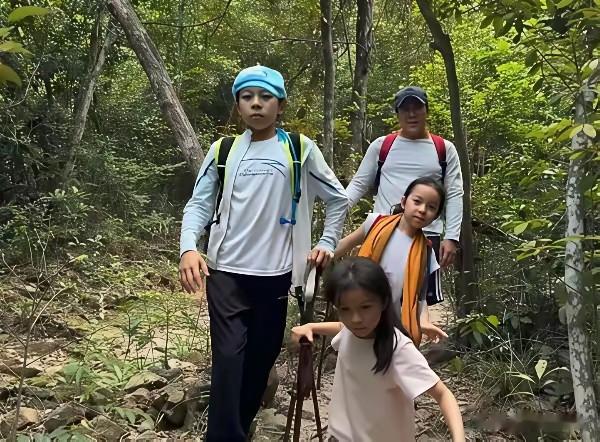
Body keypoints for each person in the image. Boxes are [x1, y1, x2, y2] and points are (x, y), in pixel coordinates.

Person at [178, 65, 348, 441]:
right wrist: (189, 247)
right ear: (238, 105)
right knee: (228, 362)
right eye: (247, 97)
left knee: (258, 365)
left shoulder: (299, 150)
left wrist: (327, 242)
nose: (256, 104)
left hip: (276, 278)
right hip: (225, 274)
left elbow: (338, 199)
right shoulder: (223, 151)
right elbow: (199, 204)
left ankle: (236, 430)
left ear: (280, 105)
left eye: (265, 97)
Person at [291, 258, 465, 442]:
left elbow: (443, 395)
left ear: (383, 302)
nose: (356, 319)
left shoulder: (398, 349)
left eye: (365, 307)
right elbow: (342, 327)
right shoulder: (352, 331)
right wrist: (310, 327)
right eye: (345, 309)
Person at [345, 86, 464, 306]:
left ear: (426, 110)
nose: (411, 114)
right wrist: (335, 213)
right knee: (373, 299)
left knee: (416, 303)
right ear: (397, 114)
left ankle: (411, 331)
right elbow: (359, 184)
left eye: (417, 107)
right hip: (382, 232)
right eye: (405, 109)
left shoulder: (444, 149)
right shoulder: (382, 146)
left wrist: (452, 237)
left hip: (427, 235)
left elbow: (455, 193)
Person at [335, 176, 447, 345]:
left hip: (392, 326)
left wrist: (424, 321)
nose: (422, 210)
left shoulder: (426, 250)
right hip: (358, 315)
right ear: (404, 202)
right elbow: (343, 245)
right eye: (417, 201)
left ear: (436, 216)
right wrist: (321, 254)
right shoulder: (375, 223)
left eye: (431, 207)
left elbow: (420, 296)